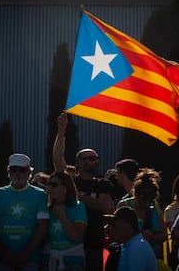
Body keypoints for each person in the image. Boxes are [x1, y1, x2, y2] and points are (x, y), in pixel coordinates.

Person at [53, 111, 113, 271]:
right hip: (69, 243)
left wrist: (79, 196)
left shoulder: (103, 184)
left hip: (93, 244)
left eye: (97, 158)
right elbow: (58, 159)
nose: (96, 161)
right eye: (91, 158)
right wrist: (61, 130)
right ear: (79, 163)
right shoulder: (71, 181)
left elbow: (105, 206)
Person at [0, 153, 49, 270]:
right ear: (8, 172)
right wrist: (2, 253)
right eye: (14, 170)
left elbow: (42, 227)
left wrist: (26, 253)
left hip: (30, 258)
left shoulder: (40, 194)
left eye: (22, 170)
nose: (17, 173)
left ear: (29, 172)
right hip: (0, 258)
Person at [117, 168, 168, 261]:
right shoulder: (125, 205)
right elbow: (117, 234)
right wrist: (140, 237)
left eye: (151, 196)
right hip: (129, 256)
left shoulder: (155, 206)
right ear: (136, 193)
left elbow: (164, 235)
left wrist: (152, 237)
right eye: (144, 196)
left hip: (151, 256)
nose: (148, 200)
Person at [41, 171, 88, 271]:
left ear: (65, 188)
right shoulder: (46, 208)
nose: (50, 188)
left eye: (54, 185)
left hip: (72, 260)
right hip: (49, 257)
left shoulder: (78, 207)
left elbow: (76, 237)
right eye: (48, 185)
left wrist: (63, 217)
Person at [103, 206, 158, 271]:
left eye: (115, 225)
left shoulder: (136, 247)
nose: (111, 229)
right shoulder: (131, 245)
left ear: (128, 224)